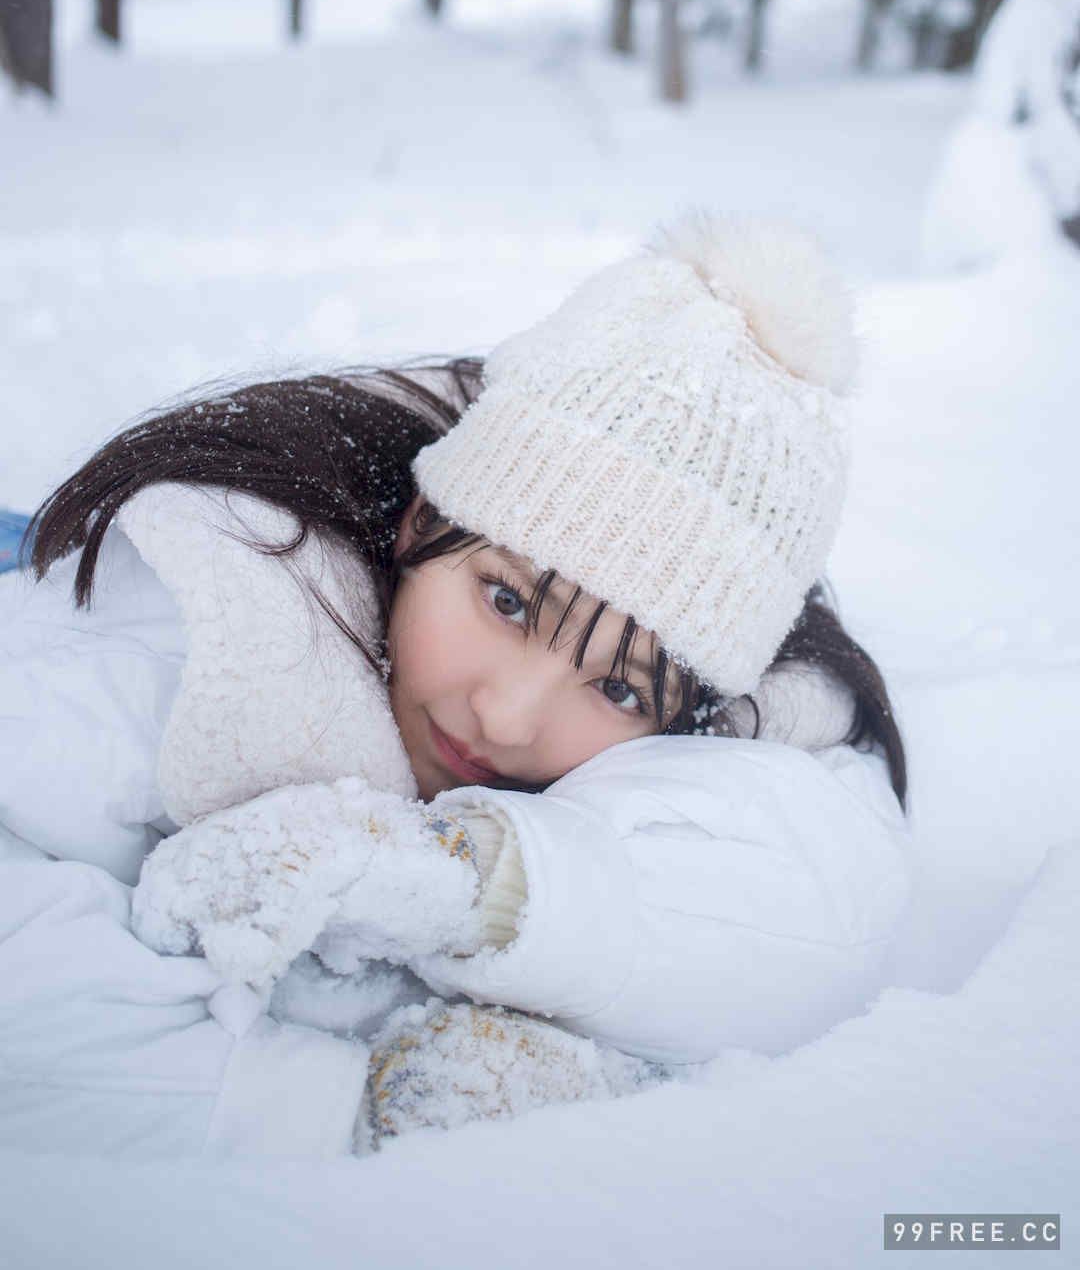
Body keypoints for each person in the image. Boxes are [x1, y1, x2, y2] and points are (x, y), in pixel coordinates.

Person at [0, 214, 909, 1160]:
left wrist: (484, 881)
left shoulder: (746, 713)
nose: (507, 718)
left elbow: (825, 897)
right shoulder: (192, 626)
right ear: (420, 520)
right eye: (507, 601)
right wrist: (333, 1108)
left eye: (619, 690)